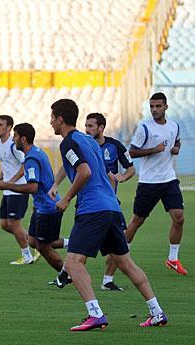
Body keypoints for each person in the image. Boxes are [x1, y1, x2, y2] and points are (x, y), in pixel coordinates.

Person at [49, 99, 167, 331]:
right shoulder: (87, 140)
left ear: (60, 119)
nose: (50, 122)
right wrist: (56, 183)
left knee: (73, 262)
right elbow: (93, 168)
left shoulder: (69, 142)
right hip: (111, 207)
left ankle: (95, 314)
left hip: (93, 209)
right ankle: (157, 312)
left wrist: (66, 198)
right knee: (125, 262)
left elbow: (84, 171)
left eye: (52, 117)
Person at [126, 92, 186, 275]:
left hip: (169, 179)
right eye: (152, 106)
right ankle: (122, 255)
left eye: (158, 106)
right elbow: (132, 152)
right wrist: (154, 149)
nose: (154, 109)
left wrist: (176, 149)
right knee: (137, 221)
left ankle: (173, 259)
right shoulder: (145, 128)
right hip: (149, 182)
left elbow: (177, 142)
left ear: (166, 107)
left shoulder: (174, 126)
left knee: (179, 218)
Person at [0, 123, 64, 276]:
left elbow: (33, 187)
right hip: (40, 206)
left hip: (48, 207)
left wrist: (7, 185)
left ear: (23, 139)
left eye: (16, 136)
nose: (13, 139)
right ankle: (73, 244)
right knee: (33, 241)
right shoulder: (35, 152)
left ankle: (67, 274)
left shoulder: (31, 158)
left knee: (43, 246)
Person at [84, 112, 135, 291]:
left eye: (91, 126)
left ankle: (107, 280)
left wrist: (122, 177)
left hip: (110, 203)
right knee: (83, 244)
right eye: (86, 125)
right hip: (90, 203)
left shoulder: (115, 146)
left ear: (101, 128)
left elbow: (131, 168)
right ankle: (66, 272)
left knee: (119, 243)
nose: (87, 129)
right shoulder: (83, 145)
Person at [0, 115, 39, 265]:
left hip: (18, 190)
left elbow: (25, 164)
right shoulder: (0, 144)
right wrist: (1, 176)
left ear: (9, 128)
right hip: (8, 191)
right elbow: (7, 164)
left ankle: (27, 256)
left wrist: (10, 182)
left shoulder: (13, 146)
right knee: (4, 224)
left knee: (13, 224)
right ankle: (35, 242)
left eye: (1, 125)